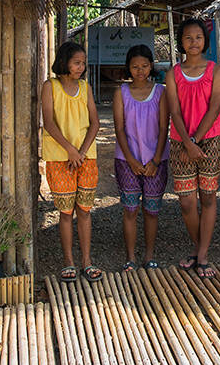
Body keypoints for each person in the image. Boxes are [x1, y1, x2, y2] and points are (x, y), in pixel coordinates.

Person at [164, 18, 220, 278]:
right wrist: (188, 142)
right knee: (187, 202)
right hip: (181, 143)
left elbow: (215, 107)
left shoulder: (217, 71)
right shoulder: (173, 74)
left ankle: (201, 255)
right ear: (181, 41)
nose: (193, 42)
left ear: (205, 41)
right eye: (188, 38)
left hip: (210, 140)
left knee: (208, 197)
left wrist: (198, 139)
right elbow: (174, 111)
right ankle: (199, 246)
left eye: (198, 38)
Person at [40, 42, 102, 280]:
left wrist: (82, 152)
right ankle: (69, 261)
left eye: (83, 63)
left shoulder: (85, 87)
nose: (81, 67)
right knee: (65, 213)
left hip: (86, 158)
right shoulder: (51, 86)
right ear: (65, 62)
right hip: (59, 159)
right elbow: (49, 122)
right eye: (77, 62)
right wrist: (70, 150)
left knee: (85, 211)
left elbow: (95, 122)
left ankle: (87, 261)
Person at [112, 45, 169, 269]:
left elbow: (165, 127)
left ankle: (149, 255)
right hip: (127, 160)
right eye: (135, 67)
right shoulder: (121, 93)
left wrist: (155, 160)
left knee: (152, 210)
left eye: (144, 66)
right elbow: (119, 128)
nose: (140, 71)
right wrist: (132, 160)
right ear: (128, 68)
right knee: (130, 208)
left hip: (157, 160)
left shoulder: (161, 92)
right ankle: (130, 257)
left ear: (151, 66)